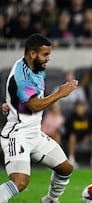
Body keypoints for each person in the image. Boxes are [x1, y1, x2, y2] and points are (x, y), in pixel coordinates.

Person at [0, 33, 78, 203]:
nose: (48, 59)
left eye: (49, 54)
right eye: (45, 54)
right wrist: (60, 93)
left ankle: (50, 200)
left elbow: (24, 98)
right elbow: (34, 105)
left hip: (35, 134)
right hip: (17, 135)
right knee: (20, 182)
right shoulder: (23, 76)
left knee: (65, 168)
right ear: (32, 53)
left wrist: (11, 104)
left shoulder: (35, 68)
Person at [65, 100, 92, 168]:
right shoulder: (71, 117)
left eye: (81, 107)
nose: (79, 109)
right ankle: (71, 159)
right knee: (72, 137)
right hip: (76, 136)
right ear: (75, 109)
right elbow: (69, 130)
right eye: (78, 108)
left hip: (87, 136)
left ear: (84, 108)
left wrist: (86, 137)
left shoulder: (89, 116)